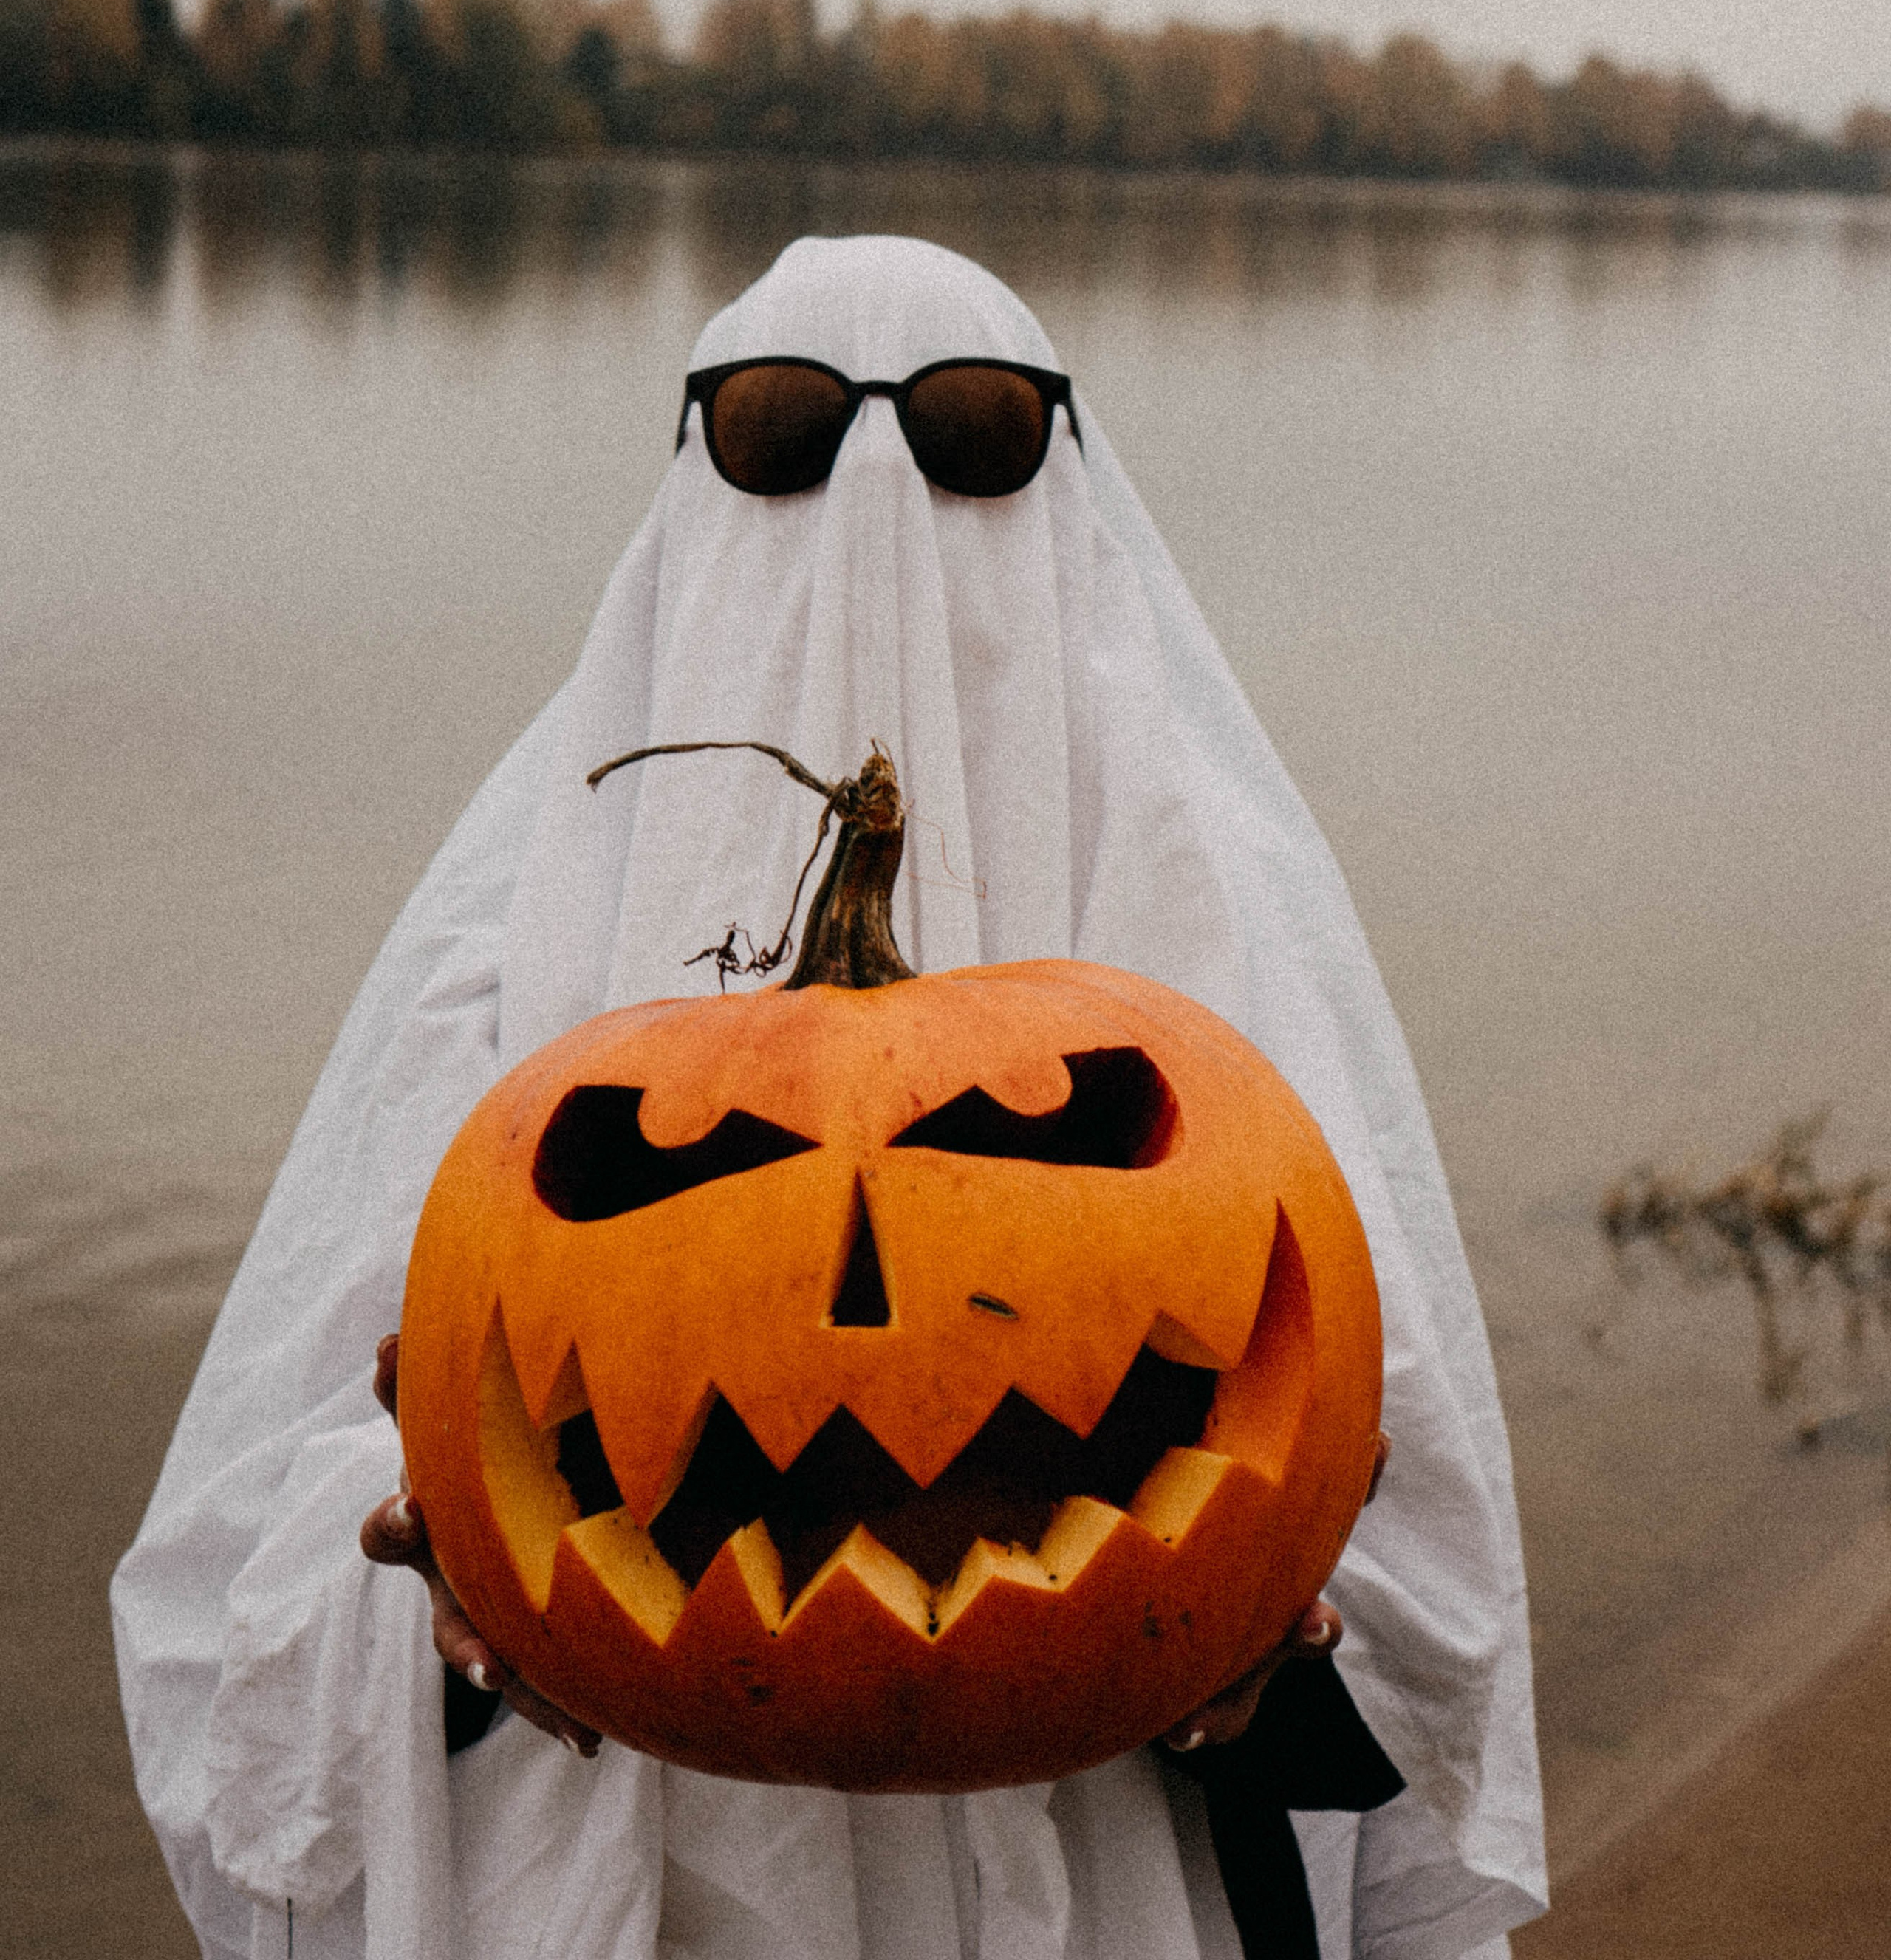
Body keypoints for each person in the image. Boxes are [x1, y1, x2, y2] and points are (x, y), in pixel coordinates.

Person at [114, 233, 1546, 1960]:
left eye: (971, 444)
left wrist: (1269, 1662)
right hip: (618, 1867)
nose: (875, 501)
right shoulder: (509, 950)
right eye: (783, 444)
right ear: (693, 494)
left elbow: (1374, 1469)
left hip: (1110, 1881)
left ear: (1062, 479)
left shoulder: (1217, 930)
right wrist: (433, 1600)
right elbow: (266, 1537)